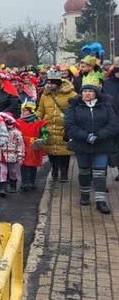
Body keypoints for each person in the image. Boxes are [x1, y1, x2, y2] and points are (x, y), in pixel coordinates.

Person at [65, 72, 119, 214]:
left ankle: (101, 201)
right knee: (84, 170)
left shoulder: (105, 105)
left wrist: (100, 135)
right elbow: (70, 125)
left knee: (100, 172)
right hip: (82, 145)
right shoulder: (74, 106)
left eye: (90, 91)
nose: (87, 94)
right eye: (85, 91)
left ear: (96, 93)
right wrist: (85, 136)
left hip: (101, 144)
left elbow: (113, 123)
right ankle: (84, 194)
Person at [36, 70, 77, 182]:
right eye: (49, 82)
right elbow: (40, 110)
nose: (50, 84)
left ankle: (64, 172)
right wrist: (37, 120)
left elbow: (76, 109)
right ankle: (54, 169)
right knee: (50, 151)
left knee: (64, 152)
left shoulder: (71, 95)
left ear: (59, 82)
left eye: (52, 82)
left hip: (64, 127)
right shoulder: (45, 95)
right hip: (48, 127)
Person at [17, 101, 48, 191]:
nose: (22, 112)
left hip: (34, 145)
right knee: (23, 164)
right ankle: (24, 182)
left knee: (33, 164)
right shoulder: (18, 122)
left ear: (31, 111)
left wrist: (42, 140)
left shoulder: (39, 122)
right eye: (22, 110)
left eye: (25, 111)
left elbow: (45, 133)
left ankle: (32, 182)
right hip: (23, 145)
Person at [0, 112, 25, 195]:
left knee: (12, 171)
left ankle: (13, 184)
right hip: (2, 155)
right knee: (3, 171)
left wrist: (20, 157)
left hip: (12, 156)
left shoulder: (16, 133)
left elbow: (20, 145)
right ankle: (3, 187)